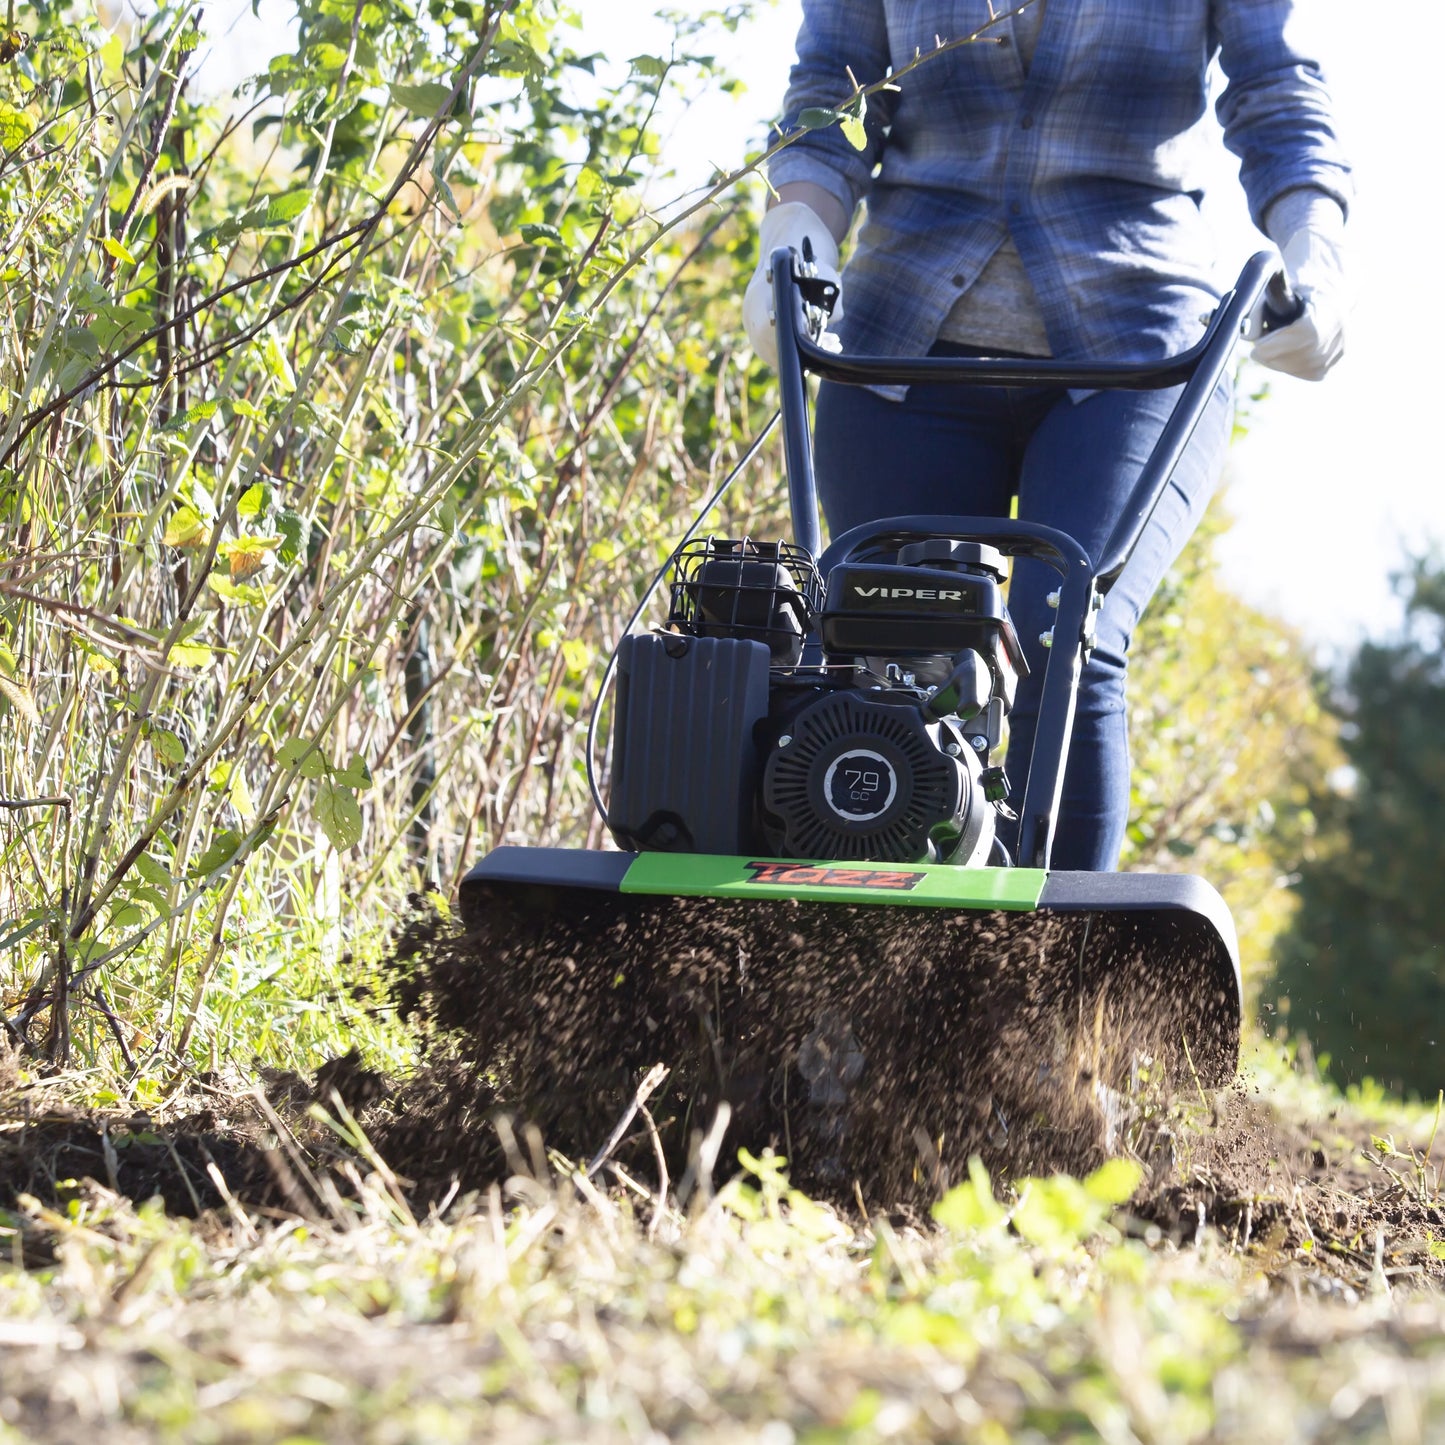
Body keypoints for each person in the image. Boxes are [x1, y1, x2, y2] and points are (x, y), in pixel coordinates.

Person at [742, 0, 1351, 871]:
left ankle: (1049, 982)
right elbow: (831, 83)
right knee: (877, 649)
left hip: (1136, 350)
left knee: (1067, 630)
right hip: (903, 343)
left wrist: (1312, 246)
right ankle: (863, 980)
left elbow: (1277, 92)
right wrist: (797, 222)